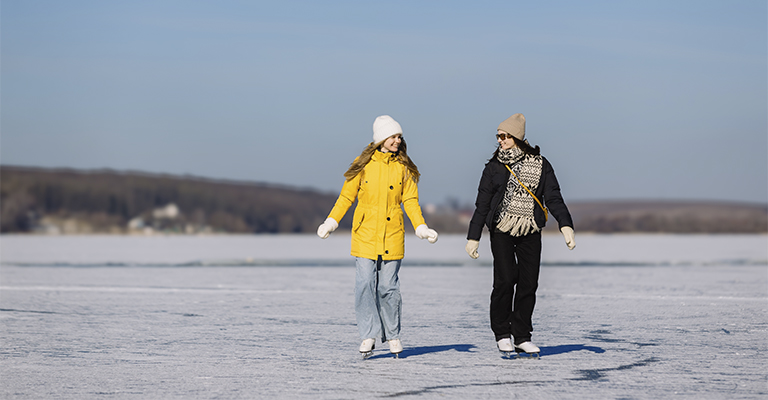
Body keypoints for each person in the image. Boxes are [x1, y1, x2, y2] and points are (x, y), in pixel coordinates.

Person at [317, 115, 439, 357]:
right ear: (381, 138)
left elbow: (410, 200)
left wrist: (421, 226)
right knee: (364, 283)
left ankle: (393, 335)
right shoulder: (363, 164)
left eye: (399, 136)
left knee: (388, 287)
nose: (398, 140)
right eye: (393, 136)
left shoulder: (404, 167)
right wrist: (331, 221)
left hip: (392, 234)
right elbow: (346, 197)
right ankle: (368, 334)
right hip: (365, 233)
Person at [465, 113, 575, 356]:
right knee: (505, 280)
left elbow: (553, 197)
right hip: (502, 228)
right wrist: (473, 237)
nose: (500, 140)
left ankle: (522, 336)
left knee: (528, 283)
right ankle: (502, 333)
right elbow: (482, 204)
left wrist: (565, 225)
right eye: (498, 136)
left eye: (505, 136)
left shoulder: (541, 164)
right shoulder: (493, 167)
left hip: (530, 229)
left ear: (517, 137)